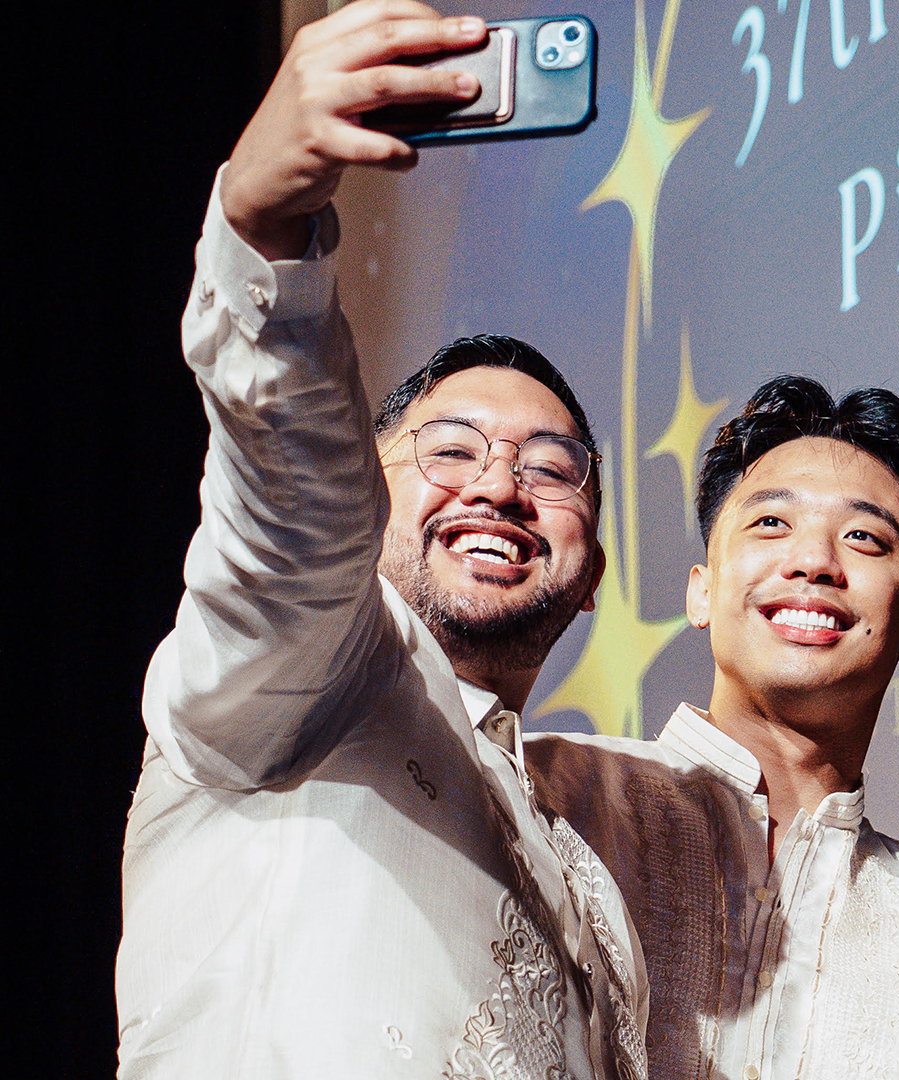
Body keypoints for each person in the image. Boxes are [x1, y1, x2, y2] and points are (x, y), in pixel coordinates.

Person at [116, 3, 647, 1076]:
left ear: (593, 574)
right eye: (449, 450)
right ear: (373, 485)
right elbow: (294, 513)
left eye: (552, 469)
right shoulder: (306, 664)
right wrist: (264, 237)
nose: (500, 485)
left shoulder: (597, 893)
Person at [524, 376, 899, 1080]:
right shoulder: (547, 794)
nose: (813, 563)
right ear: (702, 590)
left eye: (863, 537)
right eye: (772, 524)